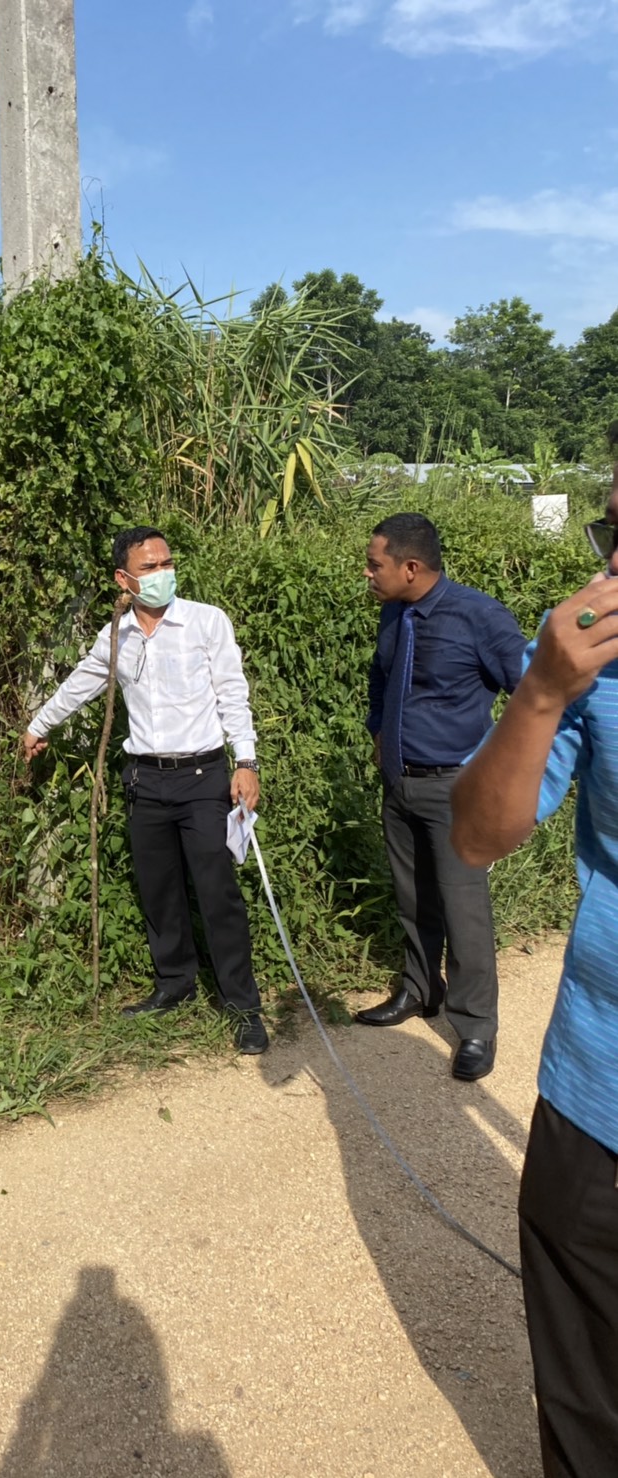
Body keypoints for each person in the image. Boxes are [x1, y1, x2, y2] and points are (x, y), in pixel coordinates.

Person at [451, 470, 618, 1478]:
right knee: (589, 1411)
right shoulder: (582, 655)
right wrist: (545, 690)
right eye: (616, 526)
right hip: (598, 1102)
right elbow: (476, 836)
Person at [21, 527, 267, 1055]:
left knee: (217, 890)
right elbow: (83, 682)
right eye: (150, 568)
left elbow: (232, 693)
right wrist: (39, 726)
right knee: (159, 890)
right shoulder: (118, 635)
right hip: (145, 779)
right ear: (124, 579)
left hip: (203, 776)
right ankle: (174, 984)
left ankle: (243, 1005)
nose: (162, 575)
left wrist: (244, 761)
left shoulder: (205, 621)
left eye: (166, 563)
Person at [356, 512, 526, 1081]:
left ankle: (476, 1027)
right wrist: (379, 732)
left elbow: (530, 696)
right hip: (400, 782)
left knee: (463, 909)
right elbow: (381, 677)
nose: (367, 573)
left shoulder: (479, 617)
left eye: (375, 564)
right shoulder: (392, 612)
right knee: (413, 897)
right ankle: (420, 990)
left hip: (457, 788)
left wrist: (497, 772)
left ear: (410, 566)